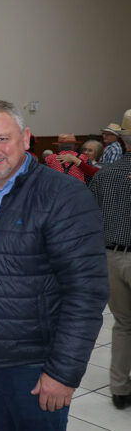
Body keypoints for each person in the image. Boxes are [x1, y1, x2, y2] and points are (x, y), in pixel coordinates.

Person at [0, 100, 108, 429]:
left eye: (2, 139)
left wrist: (62, 372)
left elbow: (86, 292)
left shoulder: (62, 196)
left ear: (26, 138)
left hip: (33, 365)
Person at [89, 114, 131, 410]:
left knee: (123, 325)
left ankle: (119, 389)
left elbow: (91, 214)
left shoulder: (106, 174)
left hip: (111, 257)